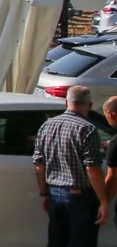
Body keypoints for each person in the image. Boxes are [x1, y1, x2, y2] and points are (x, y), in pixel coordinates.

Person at [35, 86, 109, 247]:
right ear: (89, 105)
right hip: (81, 197)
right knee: (82, 241)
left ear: (67, 102)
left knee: (56, 241)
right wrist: (104, 201)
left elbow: (39, 164)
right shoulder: (87, 129)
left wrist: (44, 193)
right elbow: (92, 168)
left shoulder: (46, 126)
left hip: (55, 193)